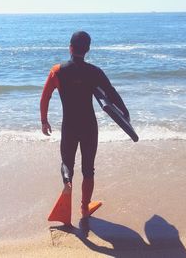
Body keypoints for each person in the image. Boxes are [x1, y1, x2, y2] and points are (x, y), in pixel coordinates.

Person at [40, 31, 130, 225]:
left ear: (70, 47)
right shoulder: (94, 72)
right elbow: (111, 93)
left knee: (67, 163)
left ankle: (67, 185)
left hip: (69, 126)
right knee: (88, 169)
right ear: (87, 50)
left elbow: (45, 96)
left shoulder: (57, 71)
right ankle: (84, 207)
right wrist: (125, 113)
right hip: (89, 126)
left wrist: (44, 121)